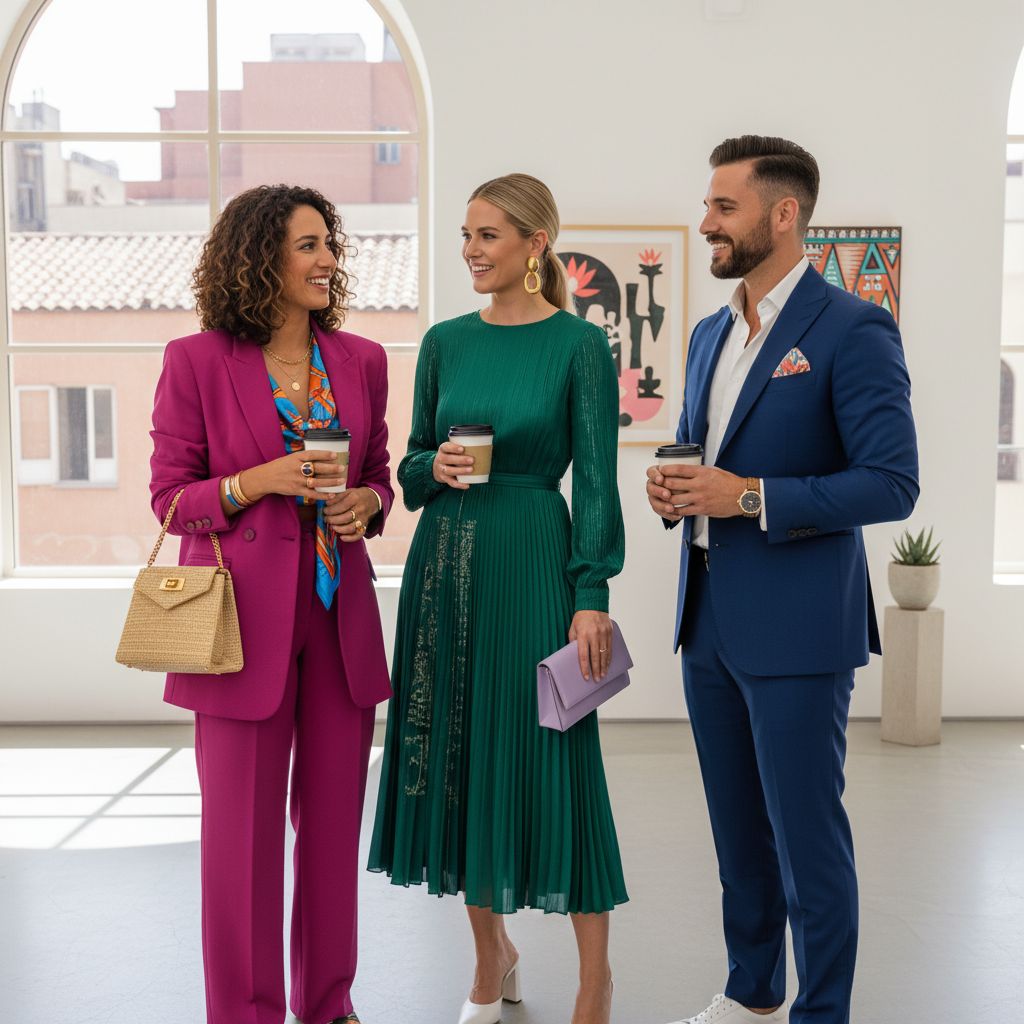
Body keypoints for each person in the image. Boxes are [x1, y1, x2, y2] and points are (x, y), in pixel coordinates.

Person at [646, 137, 919, 1024]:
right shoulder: (709, 334)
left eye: (724, 207)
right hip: (707, 619)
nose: (706, 222)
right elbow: (707, 455)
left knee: (808, 841)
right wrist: (674, 489)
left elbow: (891, 483)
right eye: (708, 204)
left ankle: (821, 1013)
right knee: (738, 836)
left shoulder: (853, 327)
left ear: (784, 214)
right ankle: (752, 992)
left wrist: (750, 495)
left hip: (800, 627)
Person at [368, 173, 627, 1024]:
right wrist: (430, 467)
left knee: (561, 755)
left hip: (534, 563)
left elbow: (596, 478)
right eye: (466, 235)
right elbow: (409, 468)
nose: (472, 251)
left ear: (534, 244)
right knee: (460, 757)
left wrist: (591, 590)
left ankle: (595, 979)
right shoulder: (444, 342)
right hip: (445, 569)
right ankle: (491, 957)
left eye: (487, 235)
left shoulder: (579, 346)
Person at [149, 184, 393, 1024]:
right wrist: (257, 482)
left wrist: (368, 504)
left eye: (330, 244)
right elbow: (170, 500)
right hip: (236, 630)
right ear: (260, 258)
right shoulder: (196, 360)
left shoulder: (362, 360)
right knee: (241, 843)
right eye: (308, 245)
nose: (328, 259)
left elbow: (377, 475)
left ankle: (329, 1005)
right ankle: (247, 1013)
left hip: (338, 619)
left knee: (330, 834)